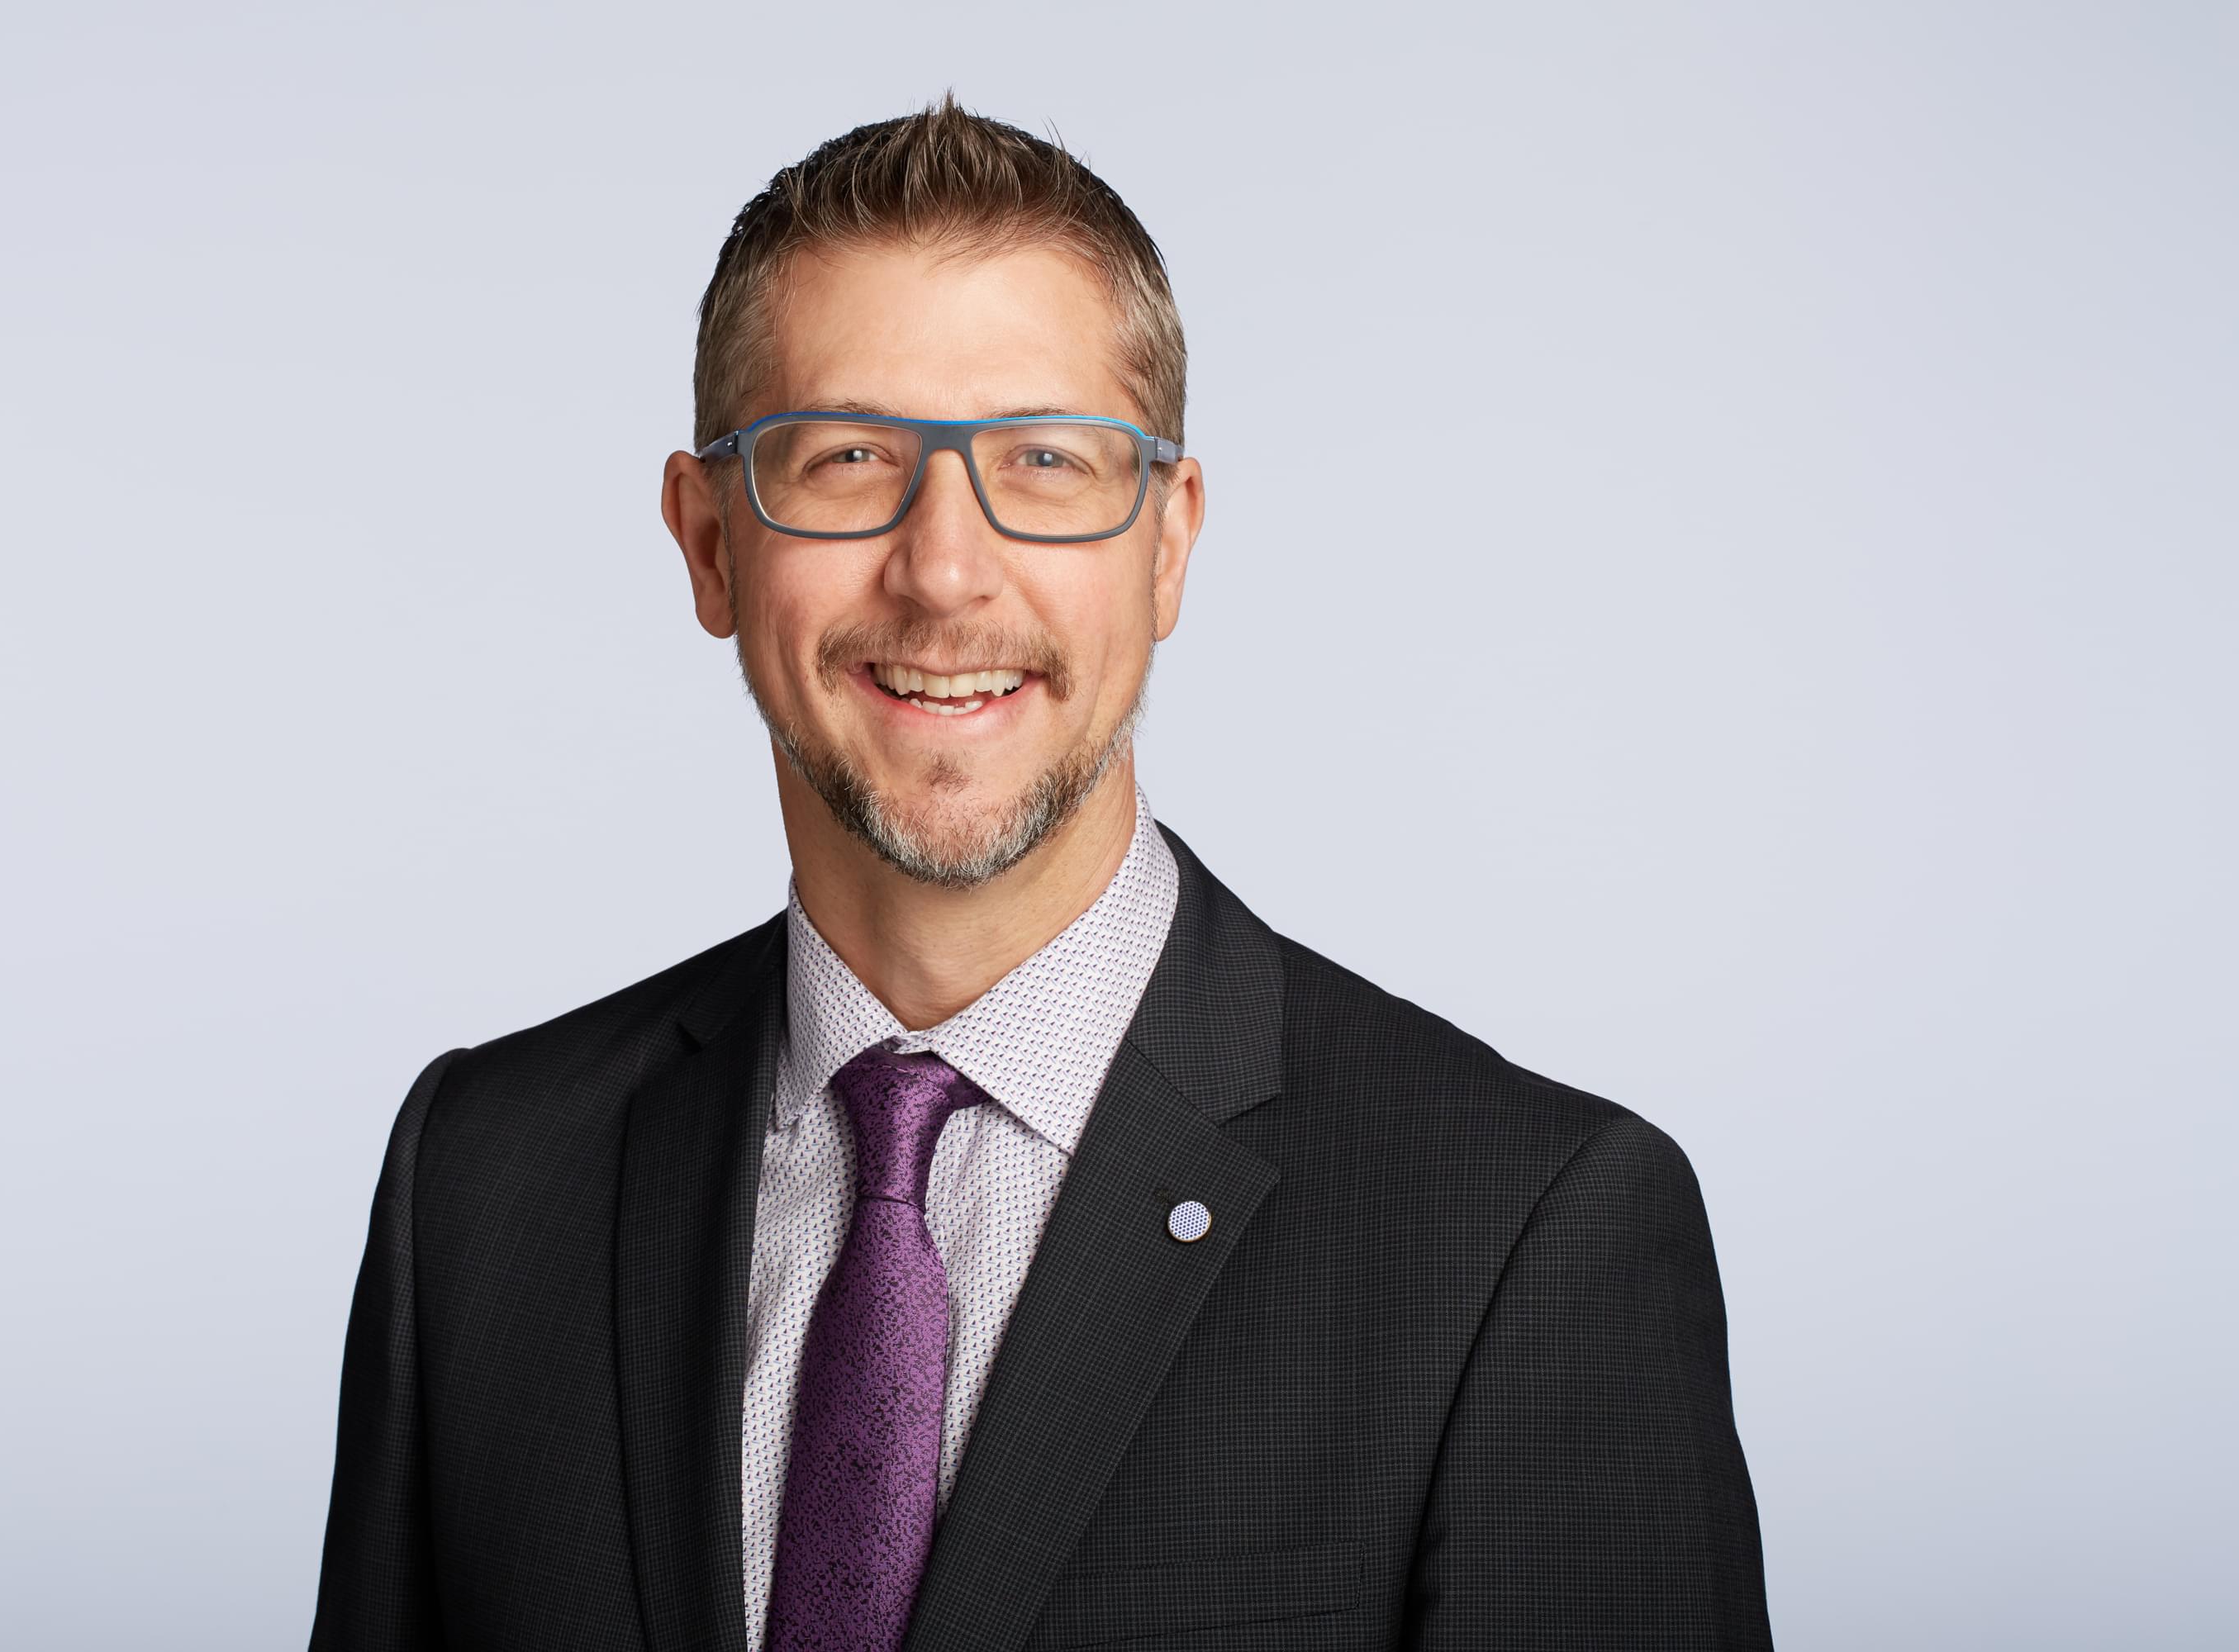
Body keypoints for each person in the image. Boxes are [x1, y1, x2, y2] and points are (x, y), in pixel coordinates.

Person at [309, 95, 1771, 1652]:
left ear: (1168, 543)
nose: (945, 572)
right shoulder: (484, 1180)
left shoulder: (1521, 1233)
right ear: (710, 543)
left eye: (1047, 460)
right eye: (849, 456)